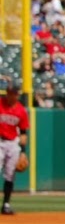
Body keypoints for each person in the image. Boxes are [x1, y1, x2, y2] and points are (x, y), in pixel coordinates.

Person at [0, 85, 28, 215]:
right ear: (7, 93)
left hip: (13, 144)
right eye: (11, 93)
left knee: (10, 175)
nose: (13, 95)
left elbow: (23, 133)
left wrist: (23, 152)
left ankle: (6, 205)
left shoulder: (21, 111)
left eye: (15, 93)